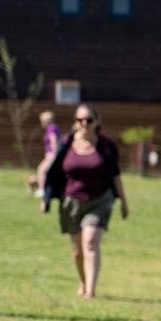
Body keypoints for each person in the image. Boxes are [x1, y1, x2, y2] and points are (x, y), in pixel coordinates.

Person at [41, 104, 129, 298]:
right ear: (75, 121)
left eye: (89, 120)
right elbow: (54, 172)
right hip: (71, 201)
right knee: (77, 249)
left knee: (90, 242)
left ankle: (90, 290)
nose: (84, 124)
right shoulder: (66, 144)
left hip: (100, 200)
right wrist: (46, 198)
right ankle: (82, 281)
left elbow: (115, 175)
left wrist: (123, 201)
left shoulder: (106, 147)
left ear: (97, 122)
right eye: (80, 120)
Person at [31, 110, 62, 197]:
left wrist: (55, 154)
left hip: (52, 154)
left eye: (42, 121)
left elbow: (53, 141)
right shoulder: (53, 128)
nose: (42, 123)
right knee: (44, 171)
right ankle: (45, 189)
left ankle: (43, 190)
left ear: (47, 121)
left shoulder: (51, 128)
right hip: (50, 154)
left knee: (41, 170)